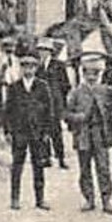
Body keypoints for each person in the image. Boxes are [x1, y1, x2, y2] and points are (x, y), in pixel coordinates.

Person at [65, 52, 112, 213]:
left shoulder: (106, 90)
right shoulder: (76, 92)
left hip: (101, 134)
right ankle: (89, 199)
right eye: (88, 74)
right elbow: (65, 114)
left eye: (95, 74)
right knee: (85, 168)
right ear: (84, 74)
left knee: (103, 167)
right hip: (83, 134)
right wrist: (77, 117)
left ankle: (106, 199)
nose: (92, 77)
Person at [4, 52, 56, 211]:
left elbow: (49, 110)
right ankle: (14, 198)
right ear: (21, 68)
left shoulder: (42, 86)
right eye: (25, 67)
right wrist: (8, 131)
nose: (28, 70)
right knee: (17, 166)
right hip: (19, 132)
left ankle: (40, 199)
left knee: (38, 165)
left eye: (32, 67)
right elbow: (8, 111)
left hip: (37, 133)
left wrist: (47, 131)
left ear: (36, 68)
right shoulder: (14, 87)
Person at [37, 38, 73, 170]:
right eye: (40, 50)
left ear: (50, 52)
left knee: (55, 131)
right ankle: (45, 157)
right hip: (41, 104)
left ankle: (61, 158)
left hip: (54, 104)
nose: (42, 53)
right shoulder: (37, 66)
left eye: (45, 50)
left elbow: (66, 85)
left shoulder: (58, 65)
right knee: (42, 131)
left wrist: (59, 99)